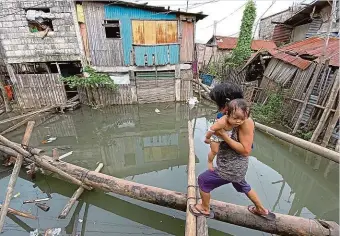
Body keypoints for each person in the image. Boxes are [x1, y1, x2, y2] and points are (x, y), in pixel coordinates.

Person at [189, 82, 275, 220]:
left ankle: (204, 208)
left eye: (219, 103)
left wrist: (222, 135)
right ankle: (261, 210)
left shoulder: (244, 121)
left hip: (231, 167)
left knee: (203, 180)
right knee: (242, 184)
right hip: (235, 167)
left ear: (227, 102)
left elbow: (246, 151)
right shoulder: (230, 116)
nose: (219, 107)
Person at [205, 99, 248, 171]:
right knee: (214, 151)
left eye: (242, 119)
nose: (238, 121)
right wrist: (207, 138)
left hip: (227, 135)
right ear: (227, 114)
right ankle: (210, 162)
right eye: (235, 118)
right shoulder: (222, 122)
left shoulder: (238, 121)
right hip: (216, 136)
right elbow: (211, 129)